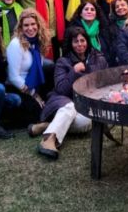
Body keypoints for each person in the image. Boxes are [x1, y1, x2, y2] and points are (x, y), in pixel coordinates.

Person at [32, 27, 107, 160]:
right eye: (75, 41)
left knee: (86, 123)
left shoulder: (99, 59)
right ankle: (49, 140)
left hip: (85, 105)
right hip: (63, 101)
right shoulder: (63, 62)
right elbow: (61, 89)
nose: (80, 44)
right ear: (70, 44)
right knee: (71, 107)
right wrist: (74, 71)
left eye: (82, 40)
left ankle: (48, 125)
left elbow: (105, 82)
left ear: (87, 41)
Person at [6, 9, 53, 124]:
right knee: (40, 116)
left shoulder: (37, 42)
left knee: (50, 110)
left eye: (33, 24)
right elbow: (13, 77)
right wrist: (34, 95)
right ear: (20, 27)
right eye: (26, 25)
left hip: (34, 83)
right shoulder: (16, 44)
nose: (30, 28)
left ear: (38, 25)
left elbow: (39, 67)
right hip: (19, 87)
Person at [69, 0, 115, 64]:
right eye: (86, 9)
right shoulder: (72, 30)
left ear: (96, 14)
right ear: (81, 14)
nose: (89, 11)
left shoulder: (103, 28)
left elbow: (110, 50)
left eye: (92, 10)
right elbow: (68, 52)